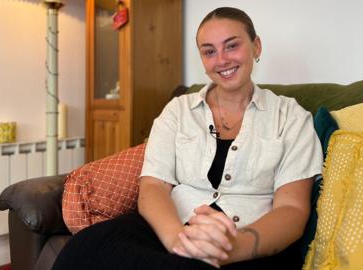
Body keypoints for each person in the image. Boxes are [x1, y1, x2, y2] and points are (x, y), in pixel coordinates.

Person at [53, 6, 323, 270]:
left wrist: (232, 247)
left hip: (250, 243)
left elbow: (292, 209)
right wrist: (178, 242)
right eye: (209, 51)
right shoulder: (178, 111)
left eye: (232, 46)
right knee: (84, 247)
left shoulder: (291, 117)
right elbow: (154, 187)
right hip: (173, 228)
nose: (222, 60)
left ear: (256, 46)